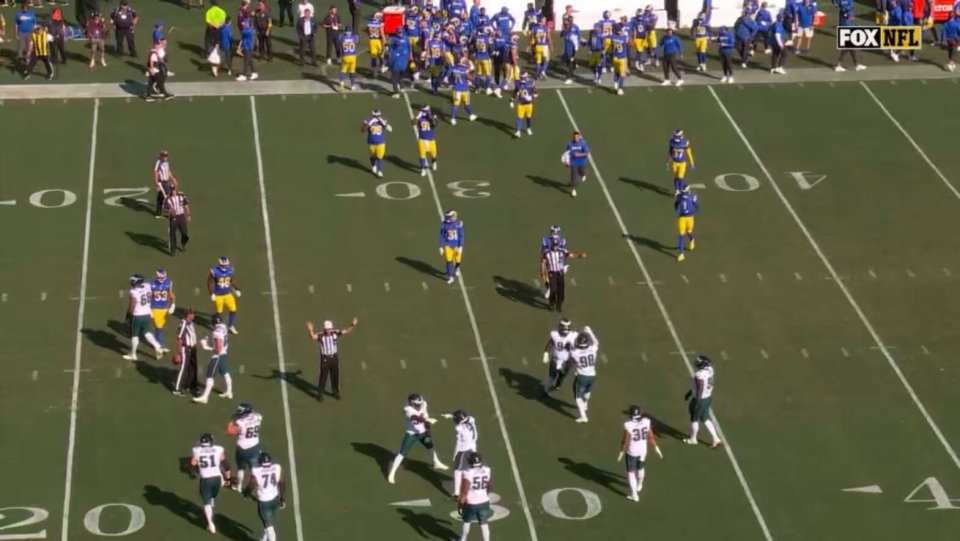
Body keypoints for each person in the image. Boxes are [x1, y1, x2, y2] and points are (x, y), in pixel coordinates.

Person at [386, 393, 449, 484]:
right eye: (417, 404)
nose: (419, 406)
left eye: (420, 404)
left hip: (423, 433)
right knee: (402, 453)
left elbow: (425, 415)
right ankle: (392, 473)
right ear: (411, 403)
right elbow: (414, 417)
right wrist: (427, 420)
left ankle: (436, 462)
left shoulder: (424, 404)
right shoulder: (407, 409)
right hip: (412, 435)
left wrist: (428, 430)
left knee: (430, 446)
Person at [306, 316, 359, 401]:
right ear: (324, 329)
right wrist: (310, 330)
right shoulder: (321, 335)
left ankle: (335, 392)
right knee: (323, 377)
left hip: (334, 358)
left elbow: (347, 331)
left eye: (329, 329)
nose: (328, 330)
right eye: (326, 329)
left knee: (335, 376)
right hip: (325, 359)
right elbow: (312, 337)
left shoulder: (335, 333)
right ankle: (320, 394)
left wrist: (352, 325)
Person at [617, 405, 663, 502]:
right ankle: (640, 484)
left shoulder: (628, 425)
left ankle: (634, 495)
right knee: (641, 468)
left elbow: (625, 441)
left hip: (632, 451)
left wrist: (621, 452)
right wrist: (656, 447)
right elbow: (650, 435)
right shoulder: (646, 422)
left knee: (631, 473)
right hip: (643, 450)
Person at [190, 433, 232, 534]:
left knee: (206, 502)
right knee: (212, 497)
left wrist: (194, 473)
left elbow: (193, 464)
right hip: (217, 479)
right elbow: (226, 465)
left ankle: (210, 524)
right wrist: (228, 478)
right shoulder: (218, 449)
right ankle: (211, 507)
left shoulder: (197, 451)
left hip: (206, 480)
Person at [193, 313, 234, 403]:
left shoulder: (216, 332)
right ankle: (229, 391)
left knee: (209, 376)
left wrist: (206, 346)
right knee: (225, 372)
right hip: (224, 353)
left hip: (218, 356)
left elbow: (218, 349)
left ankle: (205, 397)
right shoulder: (224, 326)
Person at [123, 274, 165, 361]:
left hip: (137, 315)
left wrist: (129, 314)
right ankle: (157, 346)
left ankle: (133, 354)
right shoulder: (147, 286)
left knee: (134, 335)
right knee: (147, 333)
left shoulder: (133, 291)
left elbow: (132, 305)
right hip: (147, 313)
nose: (131, 283)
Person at [684, 355, 722, 448]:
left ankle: (693, 439)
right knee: (705, 418)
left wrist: (697, 399)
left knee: (694, 419)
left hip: (700, 399)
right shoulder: (710, 370)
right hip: (708, 397)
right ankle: (716, 438)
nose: (697, 363)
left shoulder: (699, 375)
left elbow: (700, 386)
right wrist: (690, 392)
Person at [540, 238, 586, 312]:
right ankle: (552, 304)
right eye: (554, 245)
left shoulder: (562, 251)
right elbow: (543, 262)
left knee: (561, 291)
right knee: (553, 289)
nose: (555, 247)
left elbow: (571, 255)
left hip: (560, 273)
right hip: (552, 273)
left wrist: (580, 255)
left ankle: (559, 305)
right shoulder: (547, 253)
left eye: (556, 245)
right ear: (551, 245)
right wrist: (542, 271)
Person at [226, 402, 262, 492]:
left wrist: (231, 420)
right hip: (254, 447)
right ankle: (259, 486)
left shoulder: (239, 422)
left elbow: (230, 431)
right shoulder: (258, 417)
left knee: (240, 468)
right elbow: (255, 415)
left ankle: (239, 486)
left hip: (242, 448)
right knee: (255, 468)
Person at [441, 409, 478, 498]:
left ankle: (457, 493)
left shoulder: (458, 428)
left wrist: (455, 455)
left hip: (462, 450)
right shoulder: (471, 419)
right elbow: (465, 419)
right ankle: (474, 487)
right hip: (473, 448)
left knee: (457, 470)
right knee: (470, 469)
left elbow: (458, 443)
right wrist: (450, 415)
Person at [249, 452, 285, 541]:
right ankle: (264, 538)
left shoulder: (257, 471)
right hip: (275, 499)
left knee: (270, 528)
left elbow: (252, 484)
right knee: (265, 519)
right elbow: (282, 482)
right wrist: (282, 498)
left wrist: (246, 493)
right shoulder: (275, 468)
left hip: (264, 502)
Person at [457, 452, 493, 541]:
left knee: (466, 521)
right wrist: (483, 494)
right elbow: (489, 486)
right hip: (484, 501)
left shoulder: (468, 473)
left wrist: (460, 503)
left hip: (471, 503)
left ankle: (463, 540)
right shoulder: (487, 470)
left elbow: (465, 492)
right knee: (484, 522)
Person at [570, 326, 598, 423]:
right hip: (592, 375)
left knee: (577, 396)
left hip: (582, 376)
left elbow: (572, 357)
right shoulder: (592, 349)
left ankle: (583, 416)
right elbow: (596, 343)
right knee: (587, 391)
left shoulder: (575, 352)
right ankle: (585, 404)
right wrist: (590, 332)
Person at [207, 256, 241, 334]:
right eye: (223, 265)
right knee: (219, 312)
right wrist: (211, 293)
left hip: (228, 294)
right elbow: (209, 282)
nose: (225, 266)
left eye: (226, 264)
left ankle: (231, 326)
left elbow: (231, 280)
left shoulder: (229, 270)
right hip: (218, 295)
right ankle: (213, 322)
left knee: (233, 310)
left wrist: (236, 288)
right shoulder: (214, 271)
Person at [542, 318, 577, 393]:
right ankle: (545, 391)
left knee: (562, 375)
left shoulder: (573, 336)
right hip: (555, 359)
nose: (565, 332)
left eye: (566, 330)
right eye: (563, 329)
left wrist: (574, 361)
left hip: (566, 361)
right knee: (552, 376)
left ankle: (558, 384)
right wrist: (546, 353)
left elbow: (577, 349)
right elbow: (549, 344)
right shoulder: (555, 335)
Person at [172, 308, 199, 396]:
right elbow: (179, 338)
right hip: (185, 348)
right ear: (189, 315)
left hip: (191, 349)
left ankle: (188, 384)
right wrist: (179, 353)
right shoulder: (183, 323)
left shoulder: (191, 323)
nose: (194, 315)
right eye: (192, 314)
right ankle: (177, 388)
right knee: (183, 368)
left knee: (191, 367)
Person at [149, 269, 175, 350]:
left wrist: (173, 304)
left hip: (164, 307)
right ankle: (160, 343)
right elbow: (148, 296)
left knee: (159, 327)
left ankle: (156, 341)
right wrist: (148, 308)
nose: (161, 279)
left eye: (163, 277)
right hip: (155, 307)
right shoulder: (150, 283)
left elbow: (171, 293)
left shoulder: (168, 282)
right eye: (160, 277)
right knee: (159, 326)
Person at [361, 109, 392, 178]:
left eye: (377, 116)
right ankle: (373, 166)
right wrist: (370, 123)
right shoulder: (368, 120)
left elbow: (390, 129)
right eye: (375, 116)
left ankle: (380, 171)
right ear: (372, 115)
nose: (376, 117)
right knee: (372, 156)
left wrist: (384, 124)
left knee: (380, 157)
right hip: (371, 143)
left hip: (381, 142)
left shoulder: (382, 120)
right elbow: (362, 130)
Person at [834, 4, 866, 71]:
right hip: (845, 30)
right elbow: (851, 17)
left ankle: (856, 64)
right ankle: (839, 65)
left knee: (849, 48)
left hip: (846, 29)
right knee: (847, 48)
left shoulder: (844, 10)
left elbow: (850, 17)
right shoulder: (844, 11)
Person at [439, 209, 464, 284]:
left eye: (449, 217)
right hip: (448, 245)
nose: (447, 218)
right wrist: (440, 246)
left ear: (454, 216)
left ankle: (456, 269)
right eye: (447, 216)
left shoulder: (458, 223)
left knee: (458, 261)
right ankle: (450, 276)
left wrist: (460, 246)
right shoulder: (444, 224)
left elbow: (461, 235)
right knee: (448, 261)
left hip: (456, 246)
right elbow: (442, 235)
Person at [163, 185, 190, 254]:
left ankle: (183, 244)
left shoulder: (182, 195)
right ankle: (173, 250)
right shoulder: (167, 199)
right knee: (172, 234)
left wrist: (188, 214)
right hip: (173, 218)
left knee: (185, 234)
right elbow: (164, 210)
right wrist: (169, 212)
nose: (173, 191)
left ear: (176, 188)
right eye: (172, 190)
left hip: (181, 216)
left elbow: (186, 204)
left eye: (174, 189)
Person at [675, 187, 699, 262]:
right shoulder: (679, 197)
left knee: (688, 232)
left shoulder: (691, 196)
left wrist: (694, 209)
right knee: (681, 235)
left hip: (690, 217)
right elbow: (676, 206)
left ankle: (692, 239)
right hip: (682, 218)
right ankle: (681, 254)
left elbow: (697, 206)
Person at [667, 129, 694, 194]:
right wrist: (668, 161)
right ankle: (677, 190)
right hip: (674, 162)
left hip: (682, 163)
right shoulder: (671, 142)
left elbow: (689, 152)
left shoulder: (685, 142)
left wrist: (691, 162)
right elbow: (670, 152)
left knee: (680, 177)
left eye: (677, 136)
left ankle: (681, 189)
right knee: (676, 177)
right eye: (675, 136)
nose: (676, 137)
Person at [563, 131, 589, 198]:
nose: (576, 138)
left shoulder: (582, 144)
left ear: (579, 137)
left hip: (581, 162)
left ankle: (583, 174)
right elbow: (567, 153)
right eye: (575, 137)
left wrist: (579, 155)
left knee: (581, 172)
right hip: (573, 163)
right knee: (573, 177)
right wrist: (566, 162)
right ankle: (573, 190)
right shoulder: (569, 144)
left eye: (577, 137)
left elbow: (586, 153)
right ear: (573, 137)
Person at [413, 105, 438, 175]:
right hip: (422, 140)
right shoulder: (420, 118)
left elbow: (435, 124)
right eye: (424, 110)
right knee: (422, 156)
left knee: (433, 155)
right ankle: (423, 169)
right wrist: (417, 117)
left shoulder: (431, 116)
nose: (425, 112)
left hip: (431, 139)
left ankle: (434, 162)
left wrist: (431, 117)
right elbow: (412, 123)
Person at [511, 70, 536, 136]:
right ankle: (518, 131)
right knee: (519, 117)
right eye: (521, 77)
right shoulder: (518, 83)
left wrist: (535, 94)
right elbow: (515, 92)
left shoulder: (531, 82)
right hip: (521, 103)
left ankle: (528, 128)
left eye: (523, 77)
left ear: (526, 75)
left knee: (528, 117)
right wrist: (512, 100)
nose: (522, 78)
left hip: (529, 103)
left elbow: (535, 91)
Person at [338, 25, 357, 89]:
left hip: (345, 56)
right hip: (353, 56)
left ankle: (341, 82)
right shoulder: (354, 37)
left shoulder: (342, 37)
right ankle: (352, 85)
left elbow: (339, 39)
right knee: (352, 71)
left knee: (343, 70)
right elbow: (356, 40)